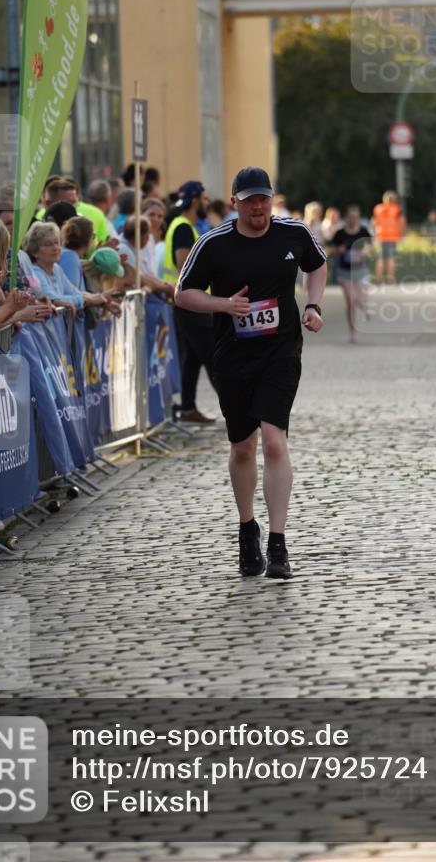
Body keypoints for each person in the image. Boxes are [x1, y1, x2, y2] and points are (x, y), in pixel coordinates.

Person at [175, 166, 327, 579]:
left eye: (265, 198)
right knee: (244, 446)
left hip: (281, 350)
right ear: (235, 202)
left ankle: (278, 542)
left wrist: (313, 305)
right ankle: (248, 528)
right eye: (250, 199)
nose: (259, 206)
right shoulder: (213, 243)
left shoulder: (293, 233)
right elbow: (183, 294)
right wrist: (224, 305)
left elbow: (317, 265)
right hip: (233, 355)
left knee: (274, 441)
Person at [163, 181, 216, 424]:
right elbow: (184, 263)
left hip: (184, 301)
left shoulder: (183, 225)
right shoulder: (183, 227)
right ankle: (235, 407)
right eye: (204, 199)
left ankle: (187, 408)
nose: (207, 203)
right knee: (213, 356)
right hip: (190, 302)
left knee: (192, 358)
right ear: (195, 200)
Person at [331, 205, 373, 343]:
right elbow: (331, 248)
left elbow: (370, 245)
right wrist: (339, 250)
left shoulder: (363, 231)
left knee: (360, 299)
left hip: (360, 270)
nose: (353, 219)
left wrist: (365, 251)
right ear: (346, 217)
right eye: (351, 217)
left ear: (359, 218)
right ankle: (353, 332)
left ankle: (365, 308)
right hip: (344, 271)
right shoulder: (340, 233)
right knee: (350, 300)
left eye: (356, 217)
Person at [118, 215, 174, 298]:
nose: (148, 239)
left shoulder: (139, 247)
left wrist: (167, 284)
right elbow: (142, 279)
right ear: (139, 235)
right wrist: (168, 287)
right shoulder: (123, 250)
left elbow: (148, 275)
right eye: (147, 235)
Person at [371, 190, 403, 284]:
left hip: (381, 236)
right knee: (391, 259)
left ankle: (378, 279)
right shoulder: (397, 209)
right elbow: (401, 222)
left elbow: (373, 222)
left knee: (381, 258)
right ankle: (390, 280)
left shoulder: (378, 208)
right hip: (393, 237)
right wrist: (401, 234)